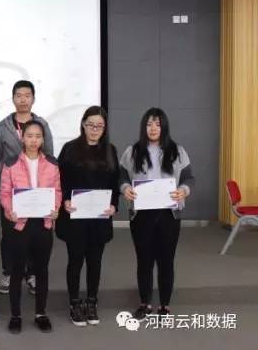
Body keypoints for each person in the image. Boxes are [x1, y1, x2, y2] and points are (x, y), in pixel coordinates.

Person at [119, 108, 195, 319]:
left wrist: (184, 190)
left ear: (164, 127)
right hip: (141, 215)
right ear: (143, 127)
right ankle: (144, 303)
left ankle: (164, 305)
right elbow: (121, 176)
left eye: (157, 124)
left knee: (166, 260)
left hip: (169, 214)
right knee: (144, 260)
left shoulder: (177, 151)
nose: (153, 128)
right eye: (149, 124)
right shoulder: (132, 151)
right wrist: (125, 188)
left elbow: (189, 178)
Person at [56, 106, 119, 327]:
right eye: (91, 124)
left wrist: (114, 205)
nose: (95, 129)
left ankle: (92, 301)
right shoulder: (70, 149)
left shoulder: (110, 150)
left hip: (100, 217)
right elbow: (59, 180)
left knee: (95, 261)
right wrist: (64, 200)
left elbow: (115, 183)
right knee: (75, 261)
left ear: (105, 127)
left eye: (99, 125)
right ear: (83, 124)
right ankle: (74, 302)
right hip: (75, 216)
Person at [0, 120, 60, 334]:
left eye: (38, 136)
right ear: (22, 138)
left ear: (43, 139)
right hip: (20, 224)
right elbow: (4, 193)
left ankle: (40, 313)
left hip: (43, 223)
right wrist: (10, 210)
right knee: (17, 270)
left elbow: (57, 191)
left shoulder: (52, 163)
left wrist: (55, 208)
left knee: (41, 270)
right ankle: (15, 315)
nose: (34, 140)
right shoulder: (11, 163)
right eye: (30, 136)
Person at [0, 80, 54, 295]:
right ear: (13, 98)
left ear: (33, 99)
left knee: (35, 234)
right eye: (18, 95)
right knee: (9, 235)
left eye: (27, 95)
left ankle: (31, 273)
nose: (23, 99)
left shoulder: (42, 124)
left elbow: (49, 156)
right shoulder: (2, 127)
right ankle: (8, 272)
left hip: (38, 193)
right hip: (11, 192)